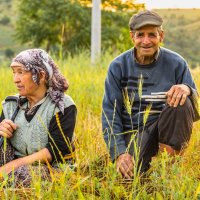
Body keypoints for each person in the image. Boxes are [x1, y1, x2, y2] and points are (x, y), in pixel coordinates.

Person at [102, 10, 200, 179]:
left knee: (182, 103)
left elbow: (195, 101)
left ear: (161, 36)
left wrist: (187, 89)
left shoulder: (176, 63)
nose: (146, 41)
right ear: (132, 37)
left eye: (152, 35)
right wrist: (119, 153)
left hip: (165, 130)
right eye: (140, 35)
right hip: (133, 133)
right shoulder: (117, 66)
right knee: (130, 177)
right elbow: (110, 113)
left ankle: (168, 172)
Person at [0, 49, 77, 187]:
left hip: (52, 169)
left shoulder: (62, 105)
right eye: (14, 72)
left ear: (41, 76)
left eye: (21, 72)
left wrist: (12, 166)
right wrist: (2, 130)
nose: (15, 79)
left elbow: (56, 150)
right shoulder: (11, 105)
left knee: (15, 176)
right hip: (15, 164)